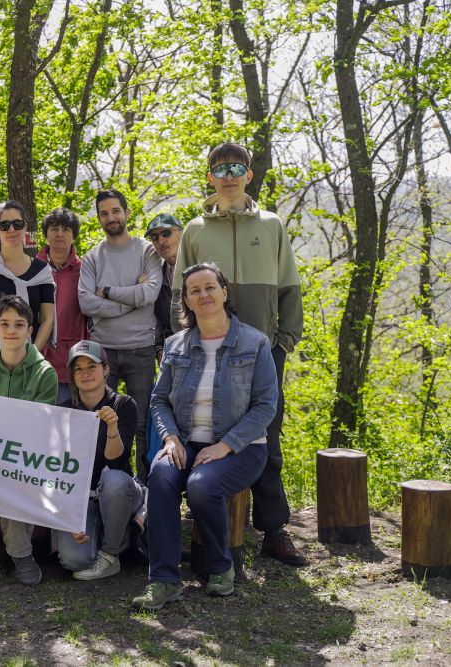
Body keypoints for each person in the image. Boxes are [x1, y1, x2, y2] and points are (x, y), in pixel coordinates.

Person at [171, 142, 305, 566]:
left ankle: (273, 528)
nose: (228, 176)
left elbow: (289, 287)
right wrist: (186, 342)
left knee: (266, 432)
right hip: (208, 349)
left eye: (236, 168)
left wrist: (283, 342)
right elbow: (179, 294)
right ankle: (207, 524)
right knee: (205, 428)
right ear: (210, 177)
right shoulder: (195, 230)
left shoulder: (271, 225)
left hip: (263, 350)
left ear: (249, 175)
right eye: (220, 168)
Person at [133, 263, 276, 609]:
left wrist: (225, 445)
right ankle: (164, 580)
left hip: (242, 448)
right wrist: (170, 438)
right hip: (184, 442)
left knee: (201, 485)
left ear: (224, 292)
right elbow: (159, 400)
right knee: (160, 477)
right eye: (194, 291)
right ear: (187, 301)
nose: (203, 295)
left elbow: (266, 406)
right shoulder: (175, 346)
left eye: (210, 287)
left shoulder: (255, 343)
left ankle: (220, 567)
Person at [0, 295, 58, 585]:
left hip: (23, 455)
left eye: (19, 324)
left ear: (30, 329)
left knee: (18, 474)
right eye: (5, 324)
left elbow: (40, 429)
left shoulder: (45, 374)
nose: (11, 330)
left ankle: (20, 553)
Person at [78, 189, 161, 481]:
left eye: (115, 211)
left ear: (126, 213)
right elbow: (86, 303)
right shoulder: (93, 257)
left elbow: (150, 293)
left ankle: (145, 488)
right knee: (99, 421)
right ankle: (104, 485)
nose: (110, 217)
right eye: (104, 213)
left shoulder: (146, 251)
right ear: (99, 218)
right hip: (103, 352)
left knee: (142, 425)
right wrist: (132, 299)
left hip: (141, 348)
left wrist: (109, 292)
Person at [53, 340, 142, 581]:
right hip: (82, 497)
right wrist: (68, 515)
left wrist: (112, 427)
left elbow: (117, 463)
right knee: (74, 560)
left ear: (106, 369)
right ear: (72, 376)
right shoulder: (63, 412)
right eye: (78, 369)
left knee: (114, 480)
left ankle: (111, 554)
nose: (85, 373)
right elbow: (58, 470)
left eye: (91, 366)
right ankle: (113, 533)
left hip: (118, 489)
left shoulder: (123, 405)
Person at [0, 200, 55, 376]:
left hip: (31, 364)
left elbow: (47, 319)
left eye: (17, 224)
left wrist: (31, 356)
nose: (12, 230)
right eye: (4, 225)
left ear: (25, 227)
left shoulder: (42, 271)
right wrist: (0, 355)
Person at [36, 208, 88, 404]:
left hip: (71, 361)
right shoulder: (32, 268)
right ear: (45, 234)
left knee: (68, 417)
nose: (59, 233)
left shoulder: (85, 270)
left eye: (65, 229)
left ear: (74, 235)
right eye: (54, 228)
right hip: (36, 359)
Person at [145, 213, 183, 362]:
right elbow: (156, 319)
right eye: (155, 237)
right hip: (175, 353)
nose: (161, 241)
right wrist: (159, 347)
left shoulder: (202, 267)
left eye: (166, 233)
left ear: (181, 233)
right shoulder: (155, 278)